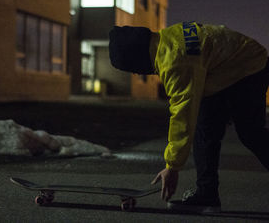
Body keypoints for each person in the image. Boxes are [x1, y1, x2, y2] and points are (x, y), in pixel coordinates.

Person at [108, 21, 269, 213]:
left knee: (251, 133)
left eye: (133, 69)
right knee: (205, 129)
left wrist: (172, 167)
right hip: (223, 67)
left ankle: (206, 193)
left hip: (248, 66)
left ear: (138, 60)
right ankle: (207, 196)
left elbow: (182, 115)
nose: (137, 73)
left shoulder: (175, 62)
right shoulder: (168, 38)